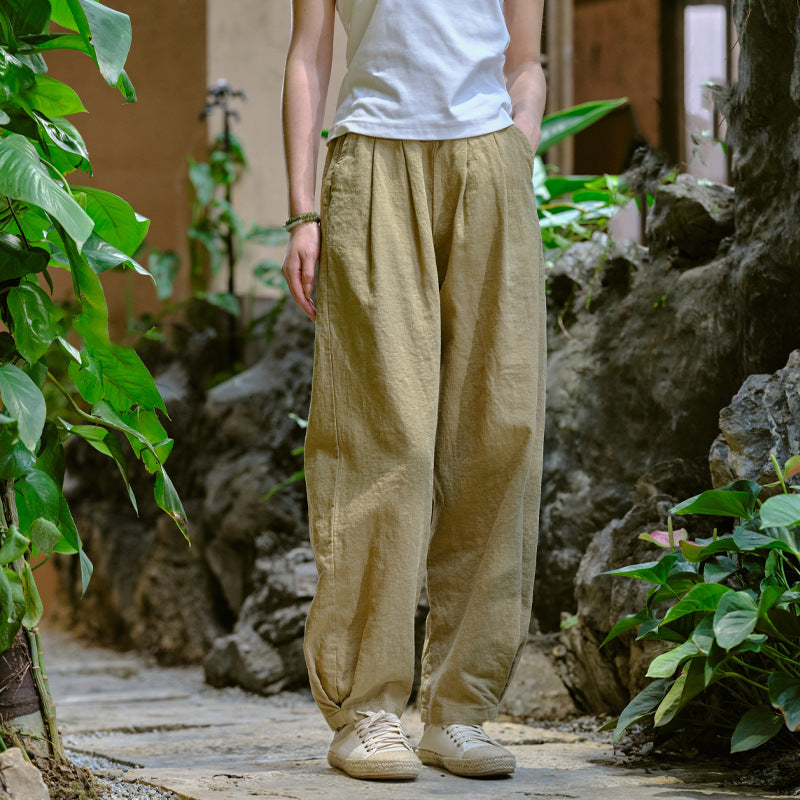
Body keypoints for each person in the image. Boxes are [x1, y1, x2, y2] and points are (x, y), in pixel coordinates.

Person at [281, 0, 547, 782]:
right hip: (373, 161)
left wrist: (516, 150)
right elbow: (307, 55)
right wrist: (302, 211)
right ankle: (366, 708)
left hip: (489, 165)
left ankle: (459, 711)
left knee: (498, 432)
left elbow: (525, 62)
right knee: (380, 438)